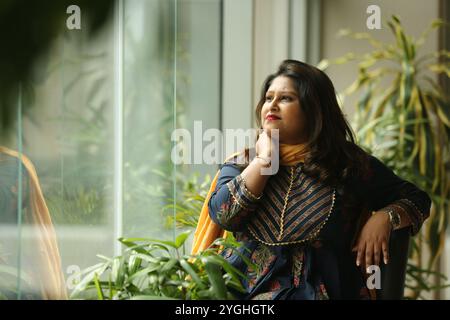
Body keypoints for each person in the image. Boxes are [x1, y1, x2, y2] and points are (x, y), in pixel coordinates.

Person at [191, 60, 431, 300]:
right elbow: (224, 215)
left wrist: (385, 217)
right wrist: (265, 161)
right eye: (268, 98)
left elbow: (416, 198)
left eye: (285, 99)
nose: (272, 105)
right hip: (246, 294)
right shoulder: (244, 163)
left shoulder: (348, 165)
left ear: (313, 109)